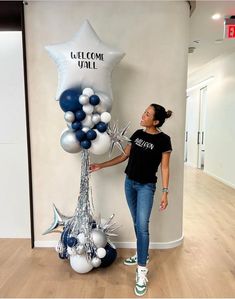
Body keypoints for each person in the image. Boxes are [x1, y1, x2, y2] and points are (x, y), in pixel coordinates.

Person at [90, 103, 172, 296]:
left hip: (146, 187)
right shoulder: (136, 134)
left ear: (156, 121)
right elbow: (123, 156)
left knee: (143, 226)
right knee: (137, 222)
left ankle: (142, 271)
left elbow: (165, 168)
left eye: (148, 114)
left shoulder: (164, 140)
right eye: (144, 111)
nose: (143, 115)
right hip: (130, 184)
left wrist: (165, 192)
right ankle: (141, 253)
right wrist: (101, 165)